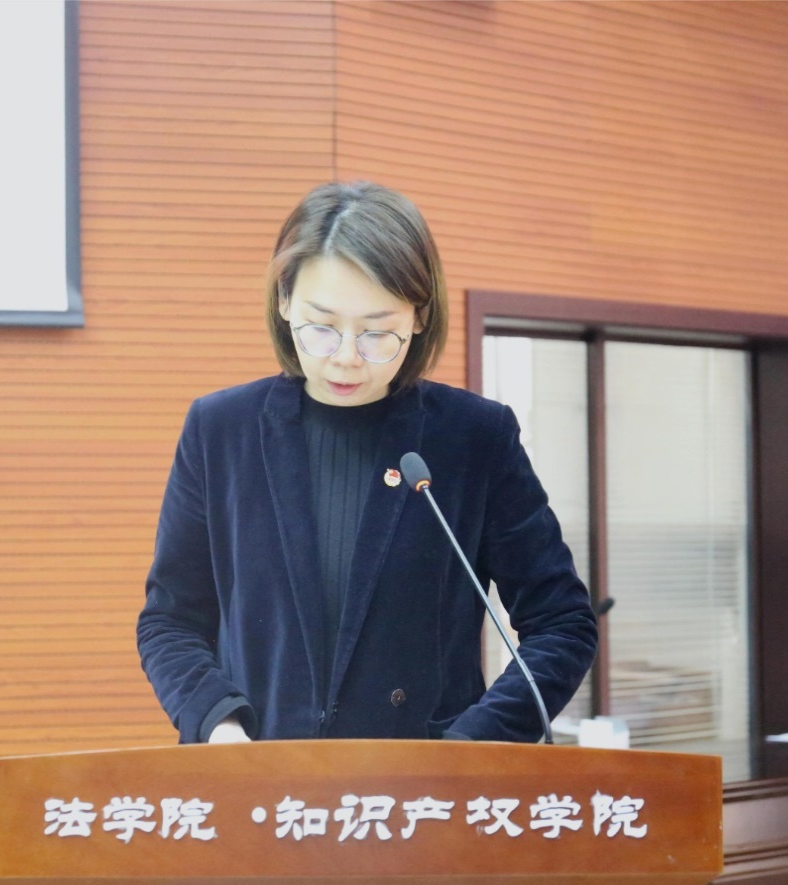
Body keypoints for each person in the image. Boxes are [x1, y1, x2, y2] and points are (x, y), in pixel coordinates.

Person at [136, 181, 597, 745]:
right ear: (284, 301)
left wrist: (471, 748)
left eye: (378, 332)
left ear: (419, 317)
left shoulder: (474, 437)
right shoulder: (221, 430)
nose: (347, 357)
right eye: (322, 328)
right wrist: (219, 725)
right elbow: (171, 622)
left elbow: (561, 625)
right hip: (260, 774)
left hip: (425, 784)